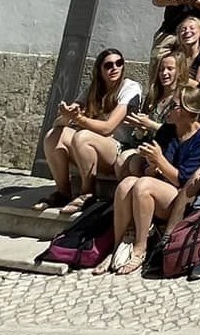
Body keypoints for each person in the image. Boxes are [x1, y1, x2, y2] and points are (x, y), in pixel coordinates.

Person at [100, 87, 200, 277]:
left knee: (142, 185)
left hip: (182, 198)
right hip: (160, 186)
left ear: (188, 111)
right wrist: (153, 165)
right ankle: (116, 248)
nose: (169, 109)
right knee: (126, 184)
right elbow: (151, 172)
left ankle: (140, 248)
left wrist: (159, 160)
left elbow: (184, 180)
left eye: (174, 105)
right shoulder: (166, 131)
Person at [40, 48, 142, 213]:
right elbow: (59, 124)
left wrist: (79, 119)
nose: (115, 68)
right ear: (99, 70)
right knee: (53, 136)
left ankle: (87, 193)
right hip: (89, 147)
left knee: (83, 137)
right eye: (108, 65)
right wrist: (68, 115)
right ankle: (63, 192)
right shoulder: (93, 90)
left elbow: (108, 127)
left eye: (119, 63)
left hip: (118, 148)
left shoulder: (130, 87)